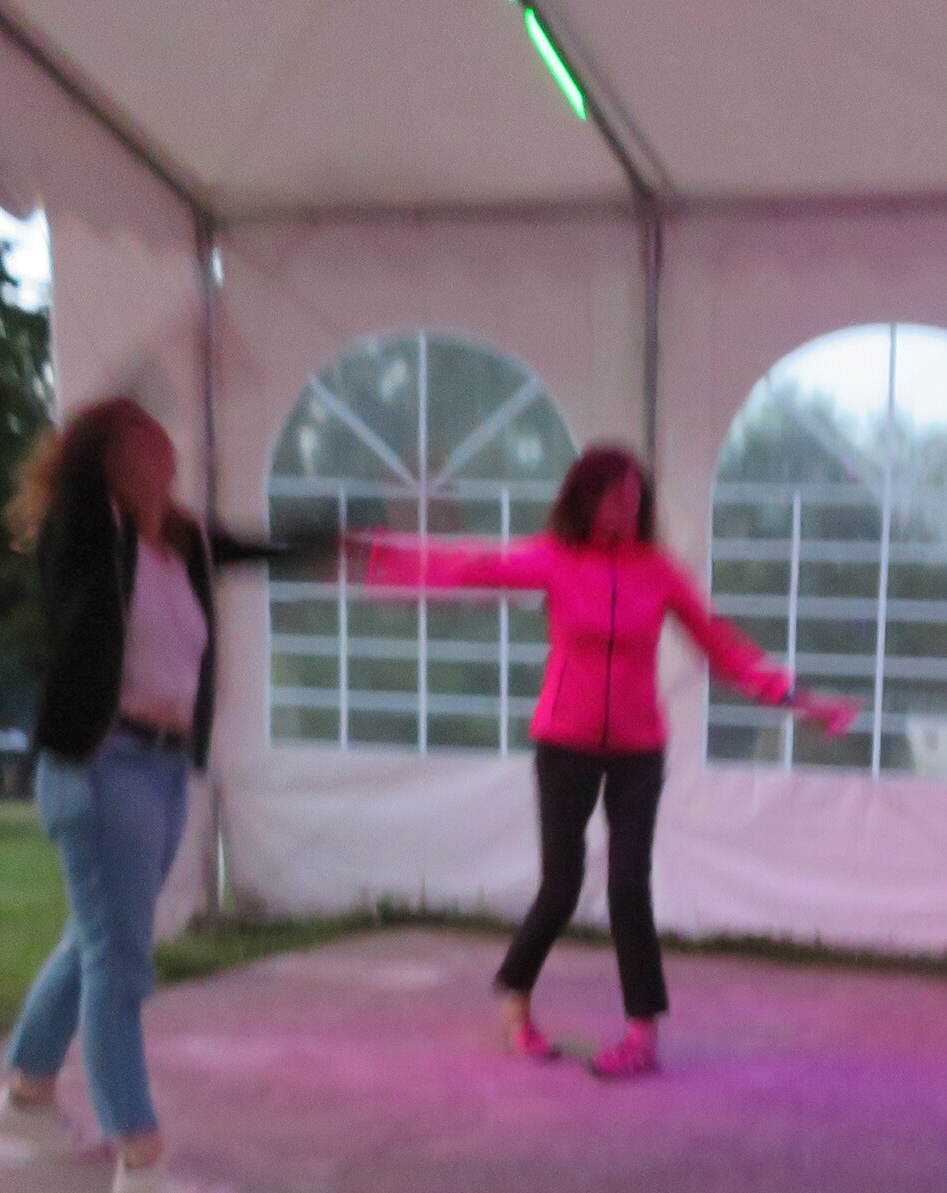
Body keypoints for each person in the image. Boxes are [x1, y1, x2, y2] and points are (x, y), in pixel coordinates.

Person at [358, 444, 859, 1079]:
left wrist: (797, 698)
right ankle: (516, 1005)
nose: (626, 506)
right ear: (586, 498)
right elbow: (473, 566)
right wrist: (380, 557)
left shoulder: (658, 570)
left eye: (634, 495)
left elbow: (720, 643)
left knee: (628, 885)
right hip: (564, 743)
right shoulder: (555, 556)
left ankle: (642, 1032)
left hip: (637, 749)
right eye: (614, 495)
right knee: (561, 887)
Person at [0, 398, 286, 1193]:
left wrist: (348, 539)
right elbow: (84, 507)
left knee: (95, 941)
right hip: (100, 767)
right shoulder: (84, 537)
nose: (165, 450)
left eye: (162, 438)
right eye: (144, 441)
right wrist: (98, 444)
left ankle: (26, 1096)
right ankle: (140, 1163)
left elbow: (255, 547)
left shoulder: (179, 547)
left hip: (158, 767)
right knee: (117, 964)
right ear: (109, 461)